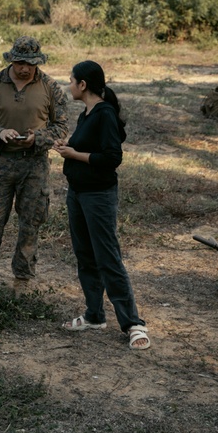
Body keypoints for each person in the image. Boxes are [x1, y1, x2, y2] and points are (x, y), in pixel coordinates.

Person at [53, 60, 149, 350]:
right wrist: (67, 148)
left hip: (98, 196)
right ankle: (94, 315)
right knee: (86, 257)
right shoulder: (87, 113)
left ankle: (133, 324)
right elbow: (86, 147)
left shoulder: (104, 114)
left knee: (108, 258)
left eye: (71, 81)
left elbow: (111, 158)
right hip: (77, 194)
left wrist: (75, 154)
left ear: (83, 85)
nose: (68, 86)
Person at [0, 36, 69, 288]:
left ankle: (22, 281)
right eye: (20, 62)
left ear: (38, 62)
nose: (24, 68)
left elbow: (62, 126)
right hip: (0, 163)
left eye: (30, 64)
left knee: (31, 223)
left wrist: (38, 138)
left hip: (35, 165)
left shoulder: (51, 88)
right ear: (11, 59)